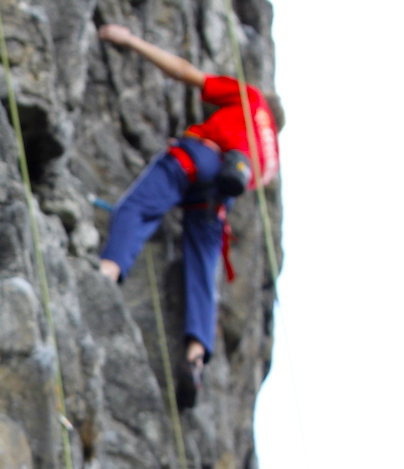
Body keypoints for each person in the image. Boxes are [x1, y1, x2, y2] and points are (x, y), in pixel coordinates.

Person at [96, 23, 281, 407]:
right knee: (202, 268)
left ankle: (107, 274)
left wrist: (130, 39)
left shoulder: (251, 99)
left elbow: (184, 71)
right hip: (218, 200)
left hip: (201, 155)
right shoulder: (270, 162)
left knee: (138, 207)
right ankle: (197, 352)